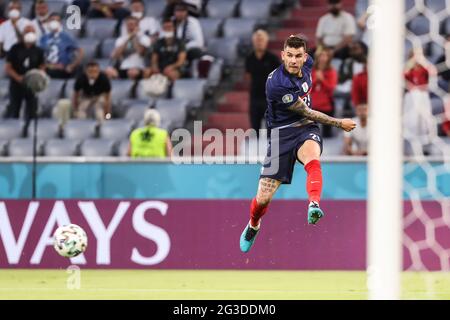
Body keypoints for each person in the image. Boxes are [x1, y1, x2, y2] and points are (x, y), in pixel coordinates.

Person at [239, 35, 356, 253]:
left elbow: (307, 117)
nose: (293, 60)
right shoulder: (276, 84)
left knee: (313, 158)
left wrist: (298, 38)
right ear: (283, 55)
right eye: (289, 56)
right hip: (280, 136)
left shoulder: (308, 63)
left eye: (298, 56)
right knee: (262, 200)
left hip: (305, 128)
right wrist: (339, 123)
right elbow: (307, 110)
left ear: (305, 57)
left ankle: (314, 204)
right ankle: (254, 225)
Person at [4, 24, 45, 132]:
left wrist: (36, 77)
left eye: (32, 31)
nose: (29, 34)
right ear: (23, 35)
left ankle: (29, 132)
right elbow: (8, 68)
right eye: (27, 31)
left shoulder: (39, 50)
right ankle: (12, 132)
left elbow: (42, 67)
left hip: (31, 85)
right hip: (16, 84)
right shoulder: (15, 48)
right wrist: (18, 78)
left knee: (31, 110)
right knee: (15, 109)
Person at [245, 29, 280, 135]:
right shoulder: (249, 58)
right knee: (254, 128)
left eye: (261, 39)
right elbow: (248, 76)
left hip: (269, 99)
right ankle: (255, 151)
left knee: (271, 130)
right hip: (254, 97)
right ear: (253, 42)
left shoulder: (273, 58)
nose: (259, 42)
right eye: (257, 39)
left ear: (266, 41)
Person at [39, 13, 84, 79]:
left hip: (62, 69)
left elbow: (81, 51)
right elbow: (40, 55)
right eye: (52, 20)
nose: (54, 22)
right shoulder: (44, 38)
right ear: (48, 22)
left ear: (60, 23)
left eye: (57, 20)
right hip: (48, 68)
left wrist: (72, 66)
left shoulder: (66, 37)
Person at [105, 15, 151, 79]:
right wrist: (129, 38)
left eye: (132, 24)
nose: (130, 27)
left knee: (133, 72)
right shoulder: (121, 39)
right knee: (108, 71)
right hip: (124, 67)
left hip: (139, 67)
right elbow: (116, 55)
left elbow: (140, 52)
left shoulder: (144, 38)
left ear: (137, 26)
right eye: (128, 25)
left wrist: (134, 37)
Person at [311, 47, 338, 137]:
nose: (322, 58)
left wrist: (322, 80)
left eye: (325, 56)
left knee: (327, 134)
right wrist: (315, 80)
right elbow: (306, 88)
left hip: (327, 103)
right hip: (313, 103)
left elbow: (331, 88)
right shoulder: (311, 71)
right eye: (320, 56)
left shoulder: (331, 71)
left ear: (328, 58)